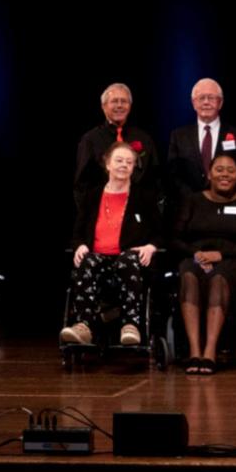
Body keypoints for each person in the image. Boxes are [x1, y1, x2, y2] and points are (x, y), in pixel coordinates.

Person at [169, 153, 236, 375]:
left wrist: (221, 255)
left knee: (219, 278)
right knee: (188, 275)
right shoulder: (193, 200)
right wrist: (198, 254)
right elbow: (174, 238)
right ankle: (195, 351)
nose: (225, 174)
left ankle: (210, 352)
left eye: (231, 170)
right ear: (209, 174)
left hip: (234, 261)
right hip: (195, 257)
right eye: (219, 169)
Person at [62, 142, 162, 347]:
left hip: (129, 261)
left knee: (127, 259)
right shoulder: (92, 195)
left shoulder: (144, 196)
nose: (124, 165)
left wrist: (150, 247)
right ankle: (84, 327)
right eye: (119, 160)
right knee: (86, 261)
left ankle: (130, 325)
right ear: (107, 164)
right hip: (98, 260)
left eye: (129, 162)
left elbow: (160, 233)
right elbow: (78, 232)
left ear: (134, 168)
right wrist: (80, 244)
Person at [166, 78, 236, 209]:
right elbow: (173, 174)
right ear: (193, 103)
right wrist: (193, 199)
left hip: (227, 204)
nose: (206, 102)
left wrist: (225, 198)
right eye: (201, 98)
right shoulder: (178, 135)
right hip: (188, 207)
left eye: (211, 97)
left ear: (220, 103)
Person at [74, 83, 159, 210]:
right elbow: (82, 183)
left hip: (138, 211)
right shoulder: (90, 140)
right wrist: (89, 216)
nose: (119, 105)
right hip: (103, 210)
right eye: (114, 101)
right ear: (104, 106)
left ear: (130, 106)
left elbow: (155, 178)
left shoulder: (144, 138)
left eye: (124, 101)